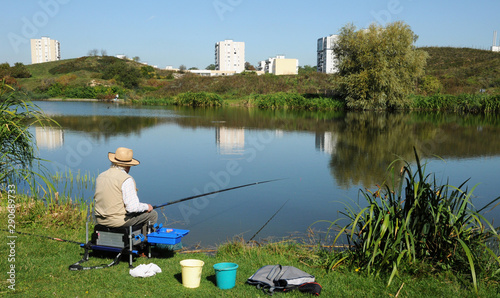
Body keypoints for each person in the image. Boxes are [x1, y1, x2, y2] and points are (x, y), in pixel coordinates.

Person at [94, 147, 158, 236]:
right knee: (152, 214)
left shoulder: (101, 176)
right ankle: (145, 245)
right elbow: (132, 208)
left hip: (100, 219)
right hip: (118, 221)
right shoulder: (126, 179)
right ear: (128, 165)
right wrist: (147, 207)